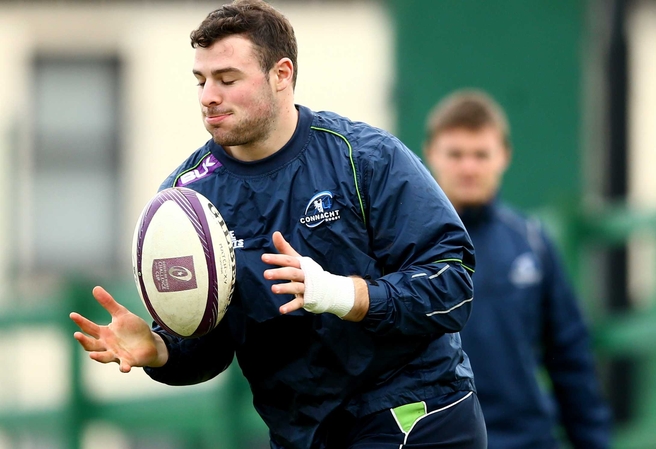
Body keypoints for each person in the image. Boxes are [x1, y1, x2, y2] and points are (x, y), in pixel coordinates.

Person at [68, 2, 487, 448]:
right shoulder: (186, 199)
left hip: (414, 413)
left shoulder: (364, 157)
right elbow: (211, 346)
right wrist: (162, 351)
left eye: (228, 79)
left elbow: (451, 285)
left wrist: (341, 293)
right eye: (201, 80)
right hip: (302, 430)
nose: (209, 95)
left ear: (281, 74)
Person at [423, 89, 611, 448]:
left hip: (527, 438)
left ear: (504, 156)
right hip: (442, 439)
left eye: (481, 154)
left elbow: (570, 357)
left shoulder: (532, 243)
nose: (468, 167)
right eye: (456, 154)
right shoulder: (405, 246)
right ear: (431, 153)